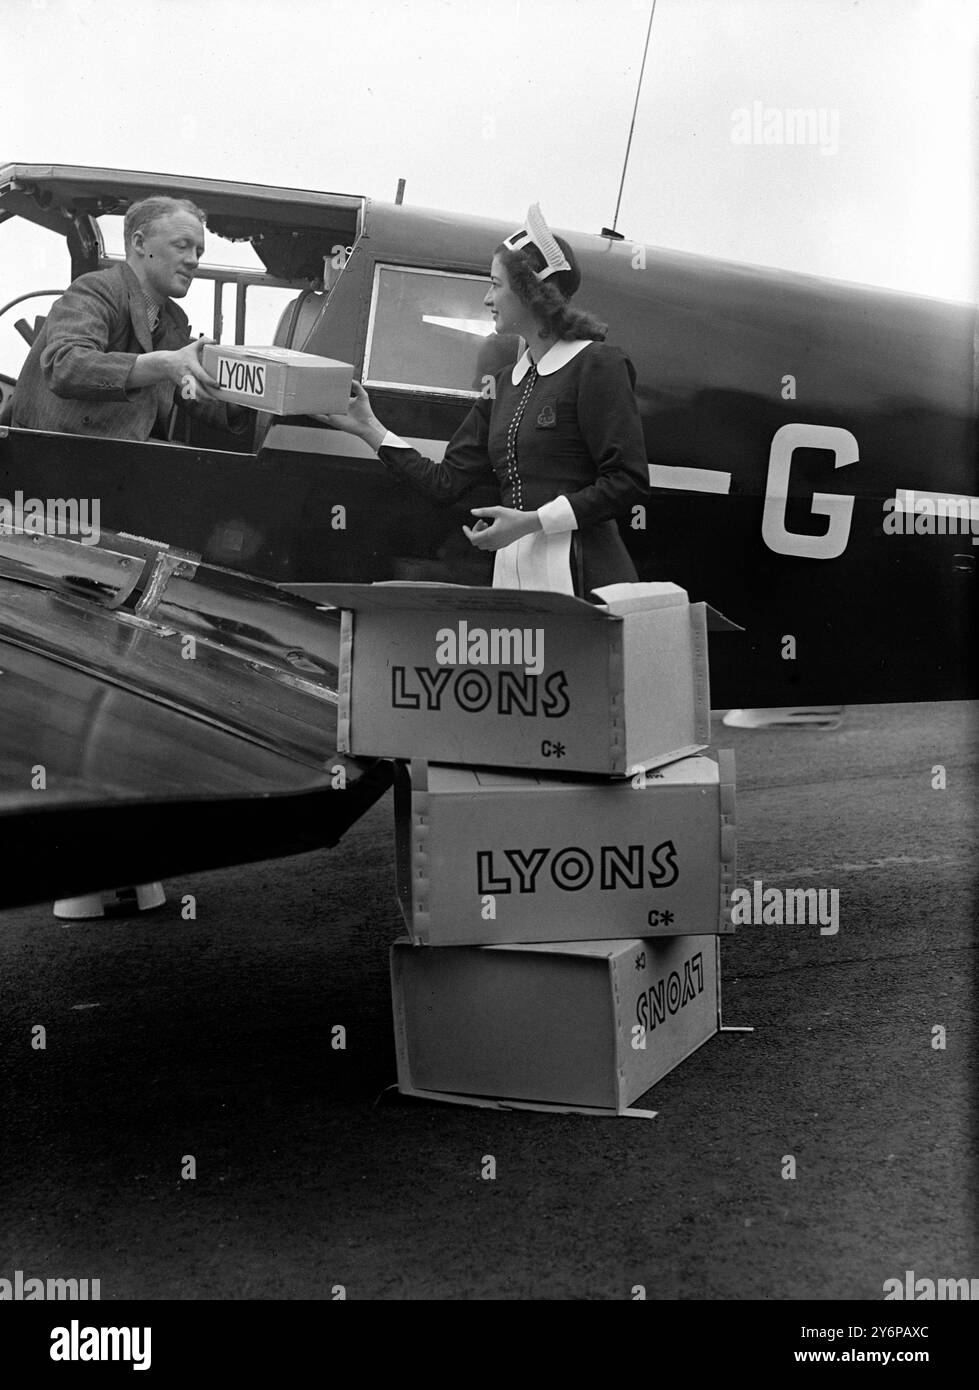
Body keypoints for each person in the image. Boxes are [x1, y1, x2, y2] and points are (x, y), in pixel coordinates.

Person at [321, 204, 649, 596]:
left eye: (496, 284)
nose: (487, 298)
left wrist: (531, 522)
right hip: (516, 577)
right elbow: (445, 483)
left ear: (531, 293)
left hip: (583, 576)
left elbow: (627, 482)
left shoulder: (597, 364)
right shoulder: (505, 385)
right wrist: (369, 428)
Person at [10, 195, 245, 442]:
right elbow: (65, 366)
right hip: (56, 455)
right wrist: (163, 364)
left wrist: (239, 400)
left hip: (120, 457)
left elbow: (184, 387)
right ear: (140, 243)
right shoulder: (96, 289)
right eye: (181, 245)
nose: (193, 260)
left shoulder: (172, 319)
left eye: (198, 251)